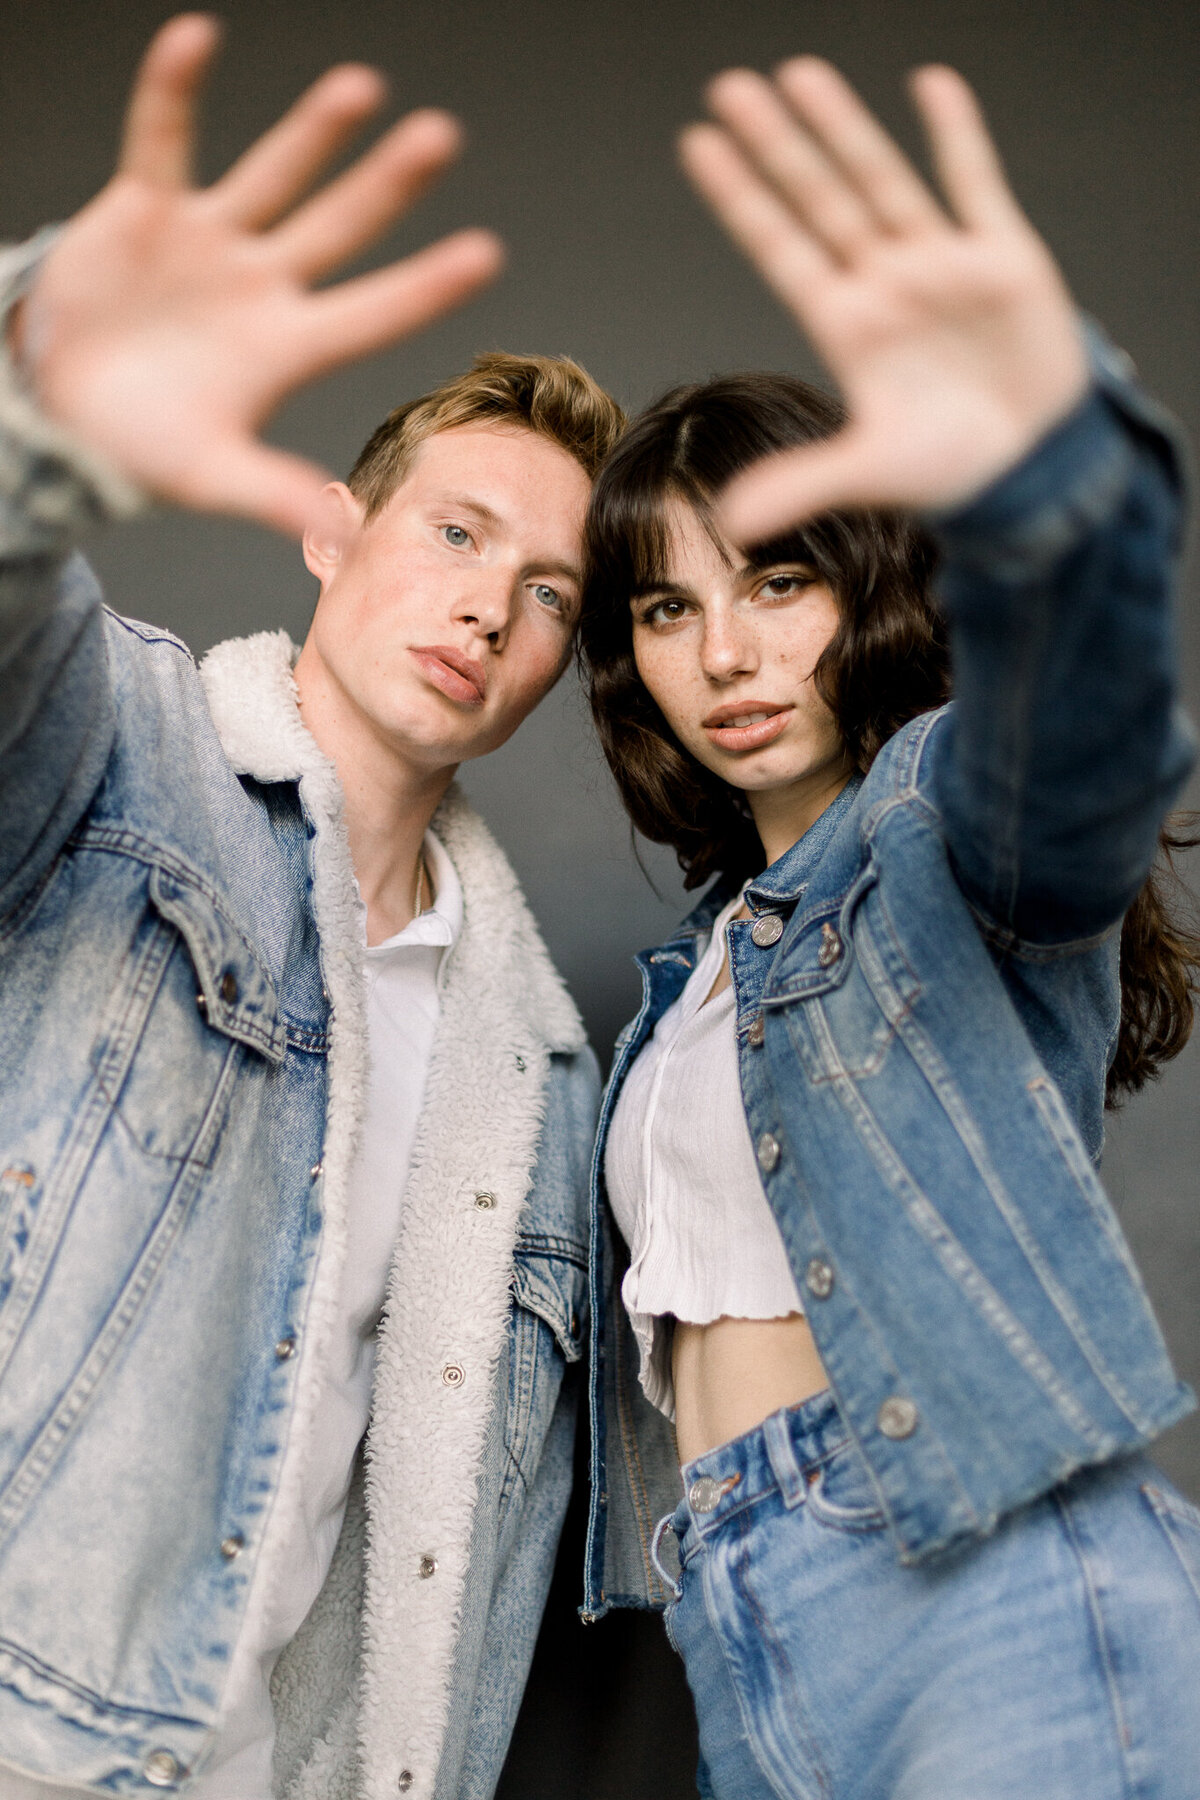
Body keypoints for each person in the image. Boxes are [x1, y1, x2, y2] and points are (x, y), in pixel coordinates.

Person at [0, 16, 622, 1800]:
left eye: (551, 591)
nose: (492, 606)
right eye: (453, 534)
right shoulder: (115, 746)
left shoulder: (541, 1062)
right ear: (332, 533)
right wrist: (40, 395)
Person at [579, 53, 1200, 1800]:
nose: (729, 654)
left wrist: (1047, 481)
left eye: (779, 578)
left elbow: (1084, 736)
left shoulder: (937, 817)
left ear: (868, 584)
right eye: (670, 605)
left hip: (983, 1578)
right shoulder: (693, 980)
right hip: (746, 1616)